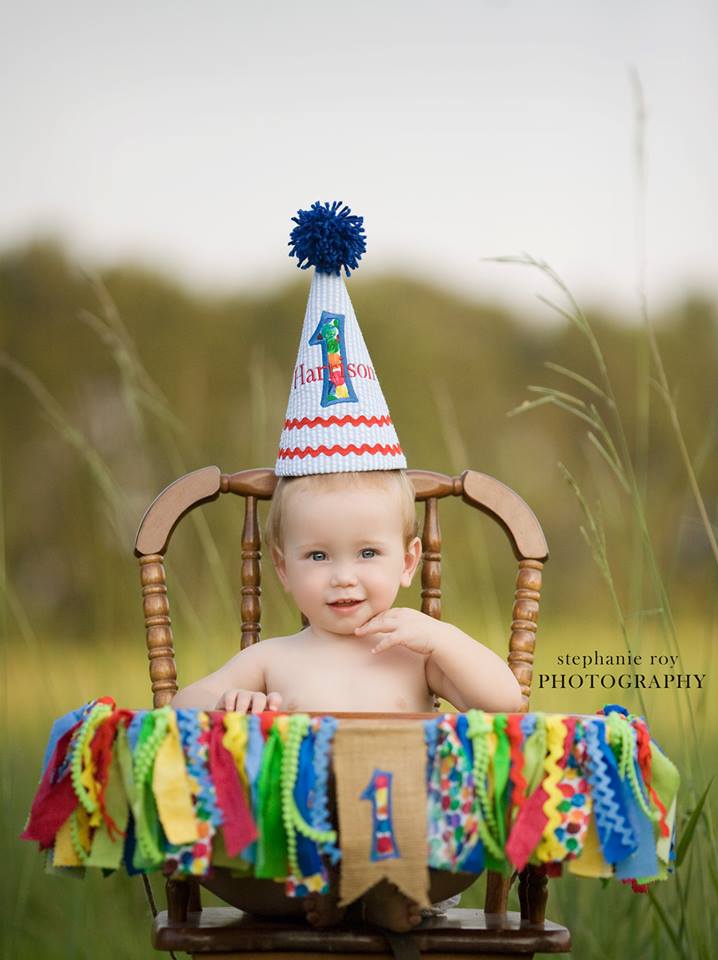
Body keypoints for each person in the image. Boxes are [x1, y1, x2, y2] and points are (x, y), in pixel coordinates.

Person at [171, 467, 523, 931]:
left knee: (474, 793)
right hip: (299, 849)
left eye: (367, 552)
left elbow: (504, 702)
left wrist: (443, 638)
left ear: (408, 561)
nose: (342, 577)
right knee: (224, 821)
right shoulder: (272, 658)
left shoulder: (414, 655)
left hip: (404, 840)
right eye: (317, 555)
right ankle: (338, 891)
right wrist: (229, 704)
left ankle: (379, 890)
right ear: (283, 567)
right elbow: (179, 711)